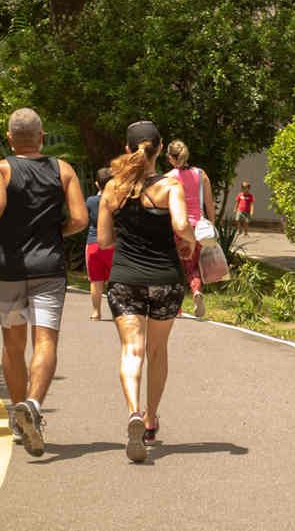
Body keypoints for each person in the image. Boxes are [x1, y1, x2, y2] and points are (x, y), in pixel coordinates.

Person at [0, 108, 87, 457]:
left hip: (10, 270)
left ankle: (19, 408)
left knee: (13, 344)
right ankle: (34, 406)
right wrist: (58, 232)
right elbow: (81, 219)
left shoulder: (1, 168)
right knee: (45, 341)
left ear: (9, 138)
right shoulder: (63, 170)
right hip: (49, 270)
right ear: (42, 136)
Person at [97, 121, 196, 462]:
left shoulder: (112, 190)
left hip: (125, 280)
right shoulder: (170, 186)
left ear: (128, 149)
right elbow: (182, 226)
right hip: (166, 280)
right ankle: (152, 419)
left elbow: (105, 240)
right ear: (161, 146)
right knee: (157, 350)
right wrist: (192, 242)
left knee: (131, 350)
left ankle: (133, 413)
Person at [165, 140, 215, 318]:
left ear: (170, 158)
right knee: (193, 266)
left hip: (179, 227)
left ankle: (177, 308)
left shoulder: (169, 177)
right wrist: (212, 225)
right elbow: (209, 203)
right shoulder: (201, 174)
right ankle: (196, 291)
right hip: (199, 228)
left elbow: (165, 205)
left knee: (176, 266)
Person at [84, 167, 115, 320]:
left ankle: (96, 312)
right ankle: (118, 312)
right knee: (115, 280)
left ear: (97, 184)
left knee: (95, 280)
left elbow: (85, 220)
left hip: (93, 243)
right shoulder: (117, 201)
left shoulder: (90, 201)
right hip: (112, 244)